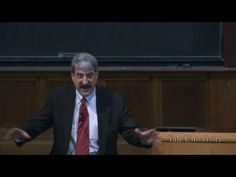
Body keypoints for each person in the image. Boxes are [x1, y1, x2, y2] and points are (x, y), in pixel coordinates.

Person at [4, 52, 160, 155]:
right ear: (72, 76)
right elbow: (39, 122)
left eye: (89, 76)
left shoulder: (114, 100)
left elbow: (129, 130)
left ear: (97, 75)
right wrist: (23, 133)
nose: (85, 82)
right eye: (80, 76)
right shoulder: (59, 97)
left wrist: (143, 139)